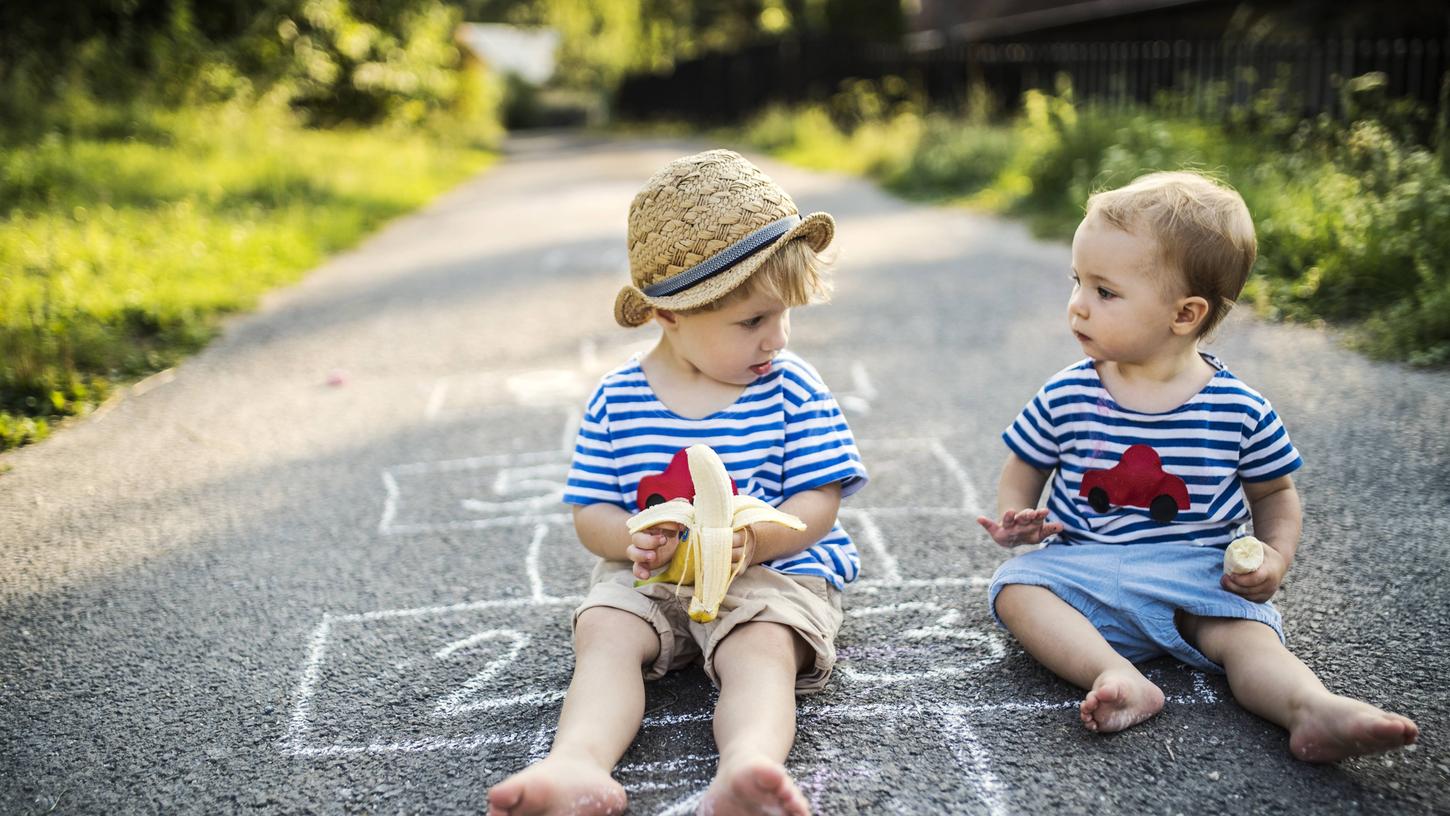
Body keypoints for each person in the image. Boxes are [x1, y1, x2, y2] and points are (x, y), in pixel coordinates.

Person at [975, 171, 1419, 761]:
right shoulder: (1067, 393)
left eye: (1105, 292)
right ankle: (1115, 674)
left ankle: (1311, 708)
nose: (1078, 305)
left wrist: (1274, 559)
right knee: (1016, 591)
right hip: (1084, 569)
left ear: (1184, 315)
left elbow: (1275, 494)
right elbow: (1024, 465)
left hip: (1194, 580)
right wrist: (1018, 517)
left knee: (1251, 641)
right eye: (1077, 281)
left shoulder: (1239, 409)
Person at [487, 150, 867, 816]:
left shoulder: (791, 386)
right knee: (605, 631)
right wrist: (635, 541)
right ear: (668, 315)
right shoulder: (618, 399)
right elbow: (592, 511)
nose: (776, 338)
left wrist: (760, 541)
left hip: (768, 570)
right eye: (752, 321)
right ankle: (576, 761)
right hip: (655, 573)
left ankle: (749, 765)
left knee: (763, 646)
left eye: (784, 315)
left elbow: (819, 501)